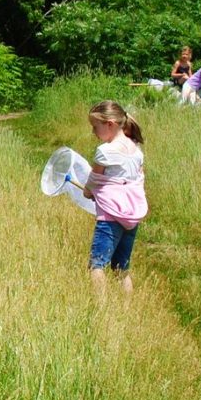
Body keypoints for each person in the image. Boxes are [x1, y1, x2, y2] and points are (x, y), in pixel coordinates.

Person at [82, 101, 148, 293]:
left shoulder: (105, 151)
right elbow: (137, 178)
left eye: (95, 127)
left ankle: (101, 310)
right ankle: (126, 309)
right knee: (122, 269)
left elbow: (94, 179)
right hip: (131, 217)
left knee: (97, 265)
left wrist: (88, 192)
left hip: (109, 217)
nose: (94, 132)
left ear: (110, 124)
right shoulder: (136, 151)